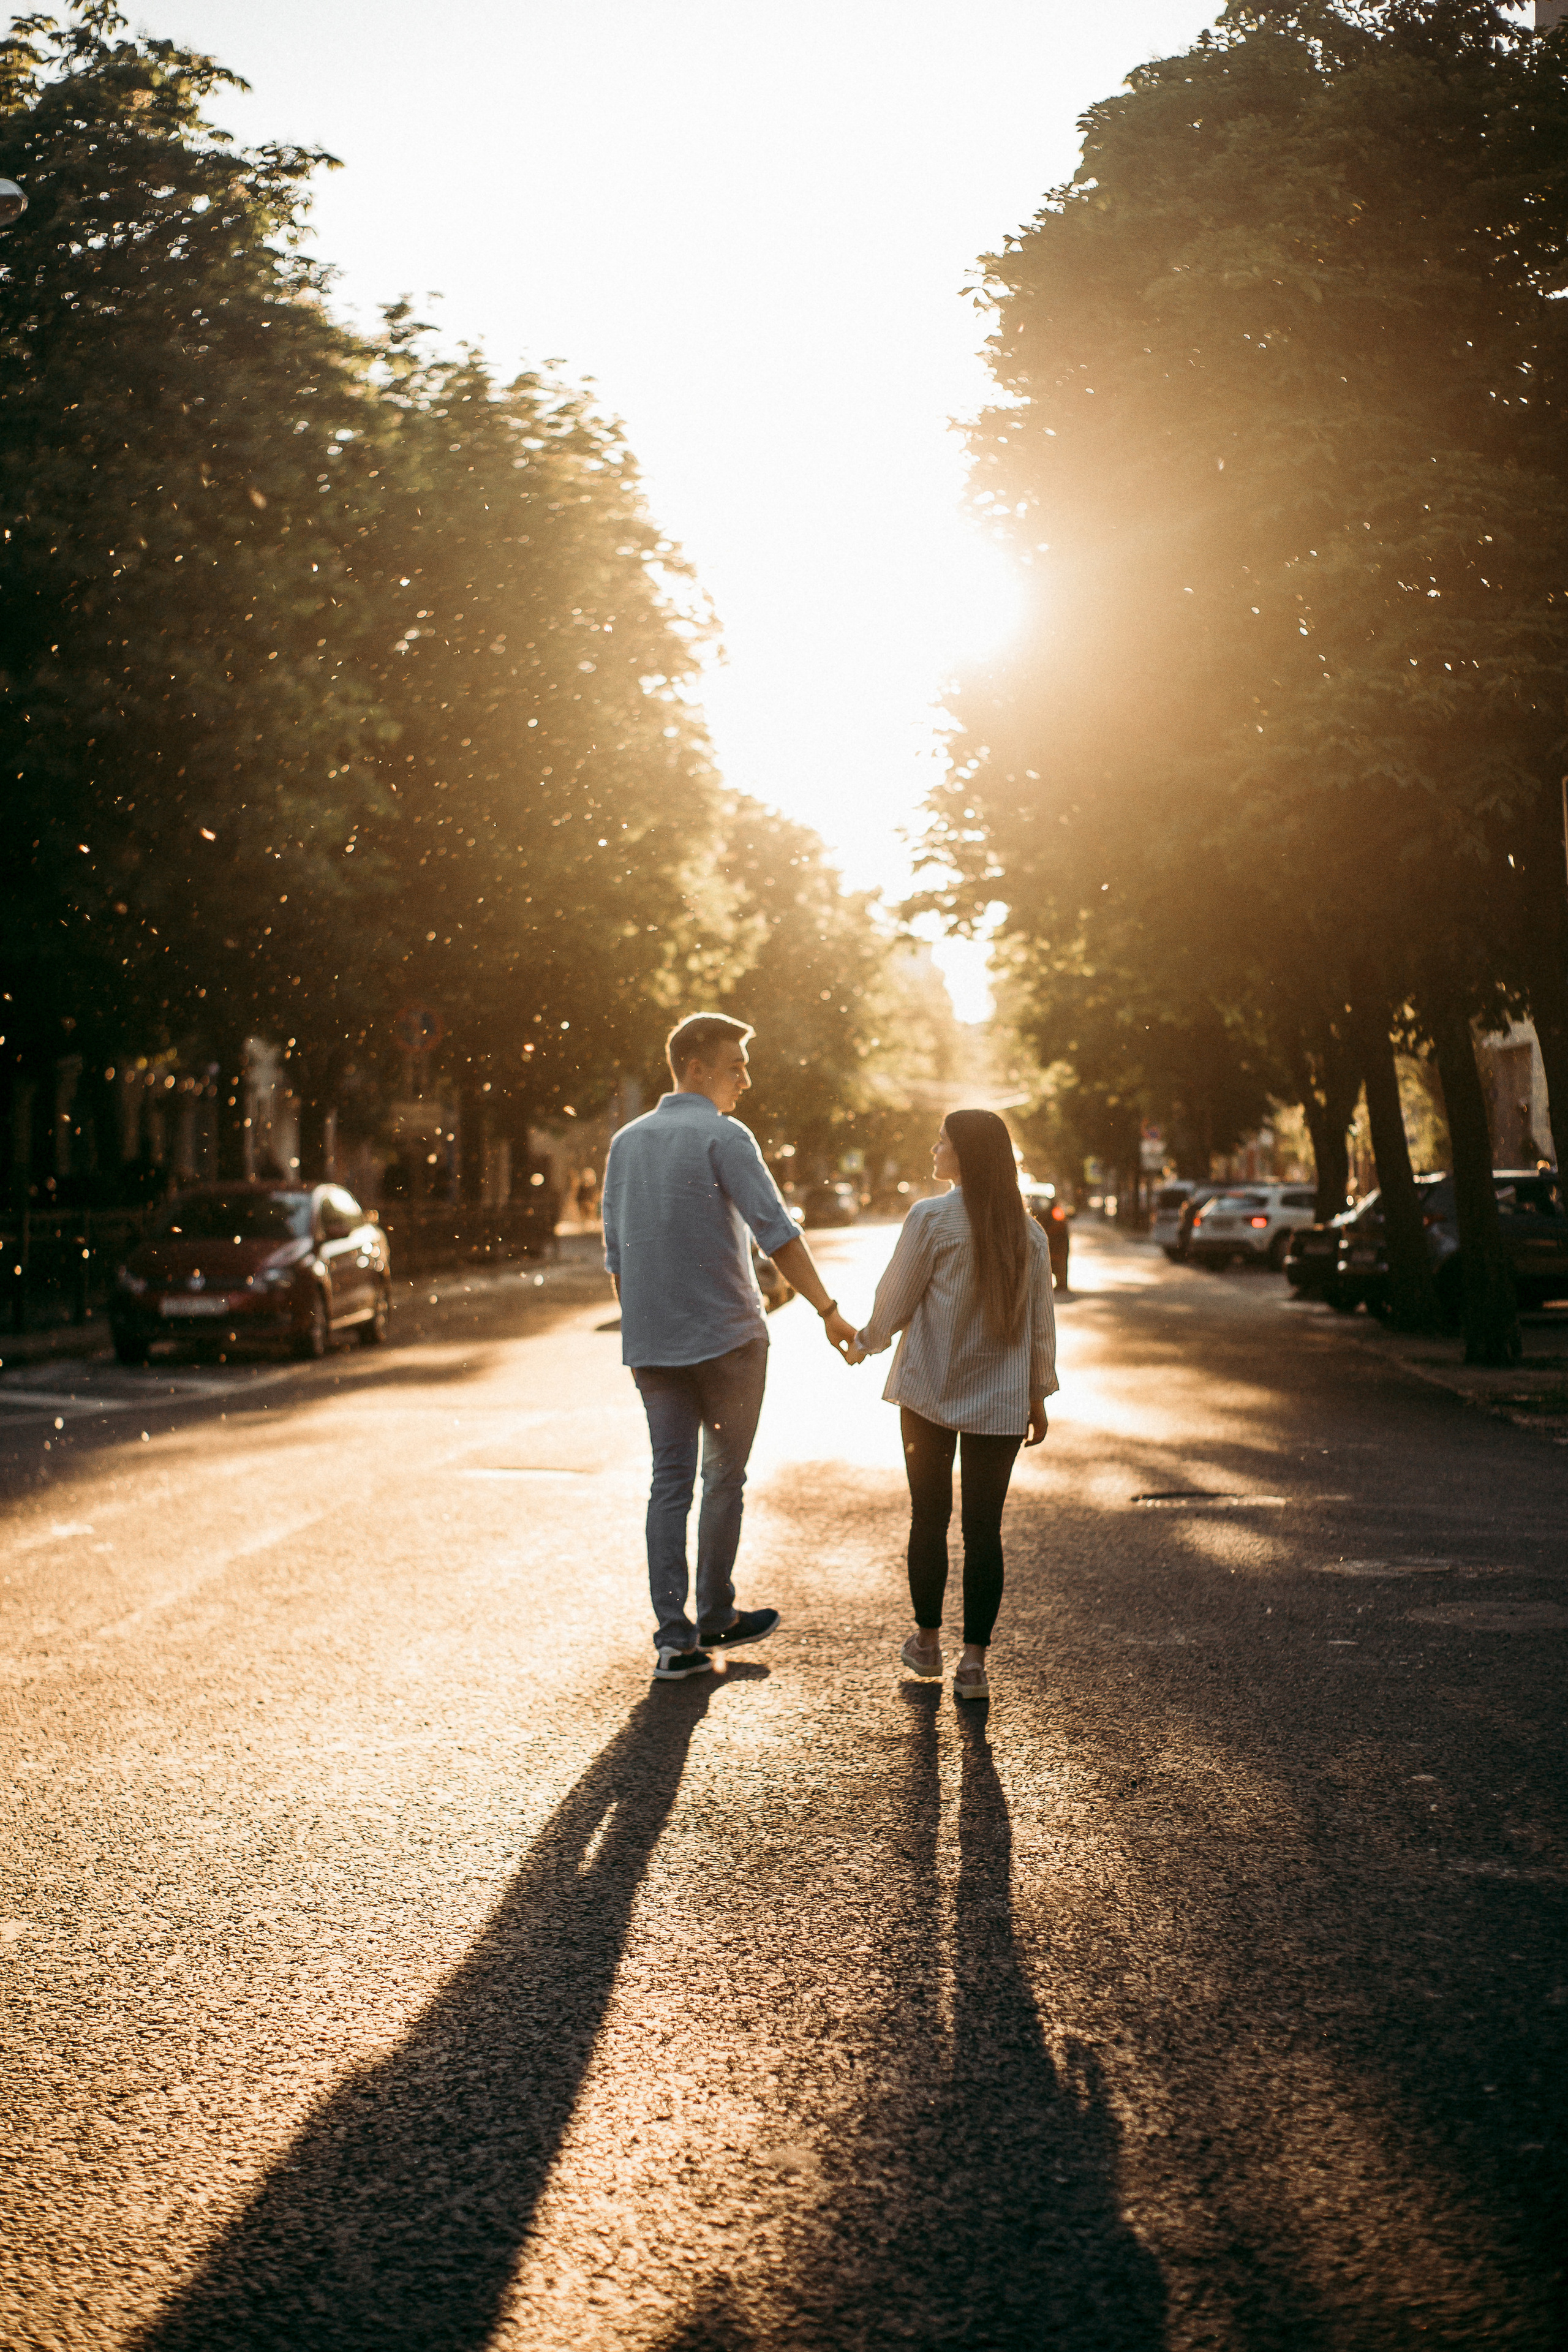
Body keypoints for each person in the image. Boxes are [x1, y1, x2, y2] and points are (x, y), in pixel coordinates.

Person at [602, 1012, 861, 1682]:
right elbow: (776, 1231)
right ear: (695, 1067)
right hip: (727, 1342)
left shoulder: (627, 1143)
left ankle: (673, 1637)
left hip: (653, 1346)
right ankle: (716, 1612)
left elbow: (617, 1259)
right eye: (736, 1065)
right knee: (723, 1478)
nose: (747, 1078)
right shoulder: (723, 1134)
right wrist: (827, 1311)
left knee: (668, 1483)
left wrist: (648, 1325)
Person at [846, 1110, 1056, 1700]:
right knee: (984, 1532)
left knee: (929, 1518)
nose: (933, 1148)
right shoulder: (1029, 1233)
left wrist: (865, 1342)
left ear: (963, 1154)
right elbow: (1042, 1325)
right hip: (1002, 1403)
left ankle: (927, 1645)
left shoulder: (932, 1219)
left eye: (941, 1141)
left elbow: (897, 1296)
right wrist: (1038, 1395)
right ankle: (974, 1666)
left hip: (928, 1395)